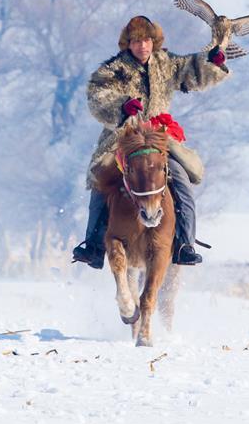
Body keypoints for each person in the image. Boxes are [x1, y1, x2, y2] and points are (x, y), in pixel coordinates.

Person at [72, 15, 230, 269]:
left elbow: (192, 68)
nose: (142, 46)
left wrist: (212, 62)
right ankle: (92, 245)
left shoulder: (166, 63)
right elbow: (97, 95)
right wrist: (122, 106)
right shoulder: (113, 70)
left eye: (146, 40)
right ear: (128, 44)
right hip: (122, 139)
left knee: (181, 180)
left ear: (153, 42)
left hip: (158, 138)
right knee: (101, 180)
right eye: (136, 41)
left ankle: (184, 244)